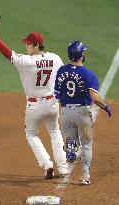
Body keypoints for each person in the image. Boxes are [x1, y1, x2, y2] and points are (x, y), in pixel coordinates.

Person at [0, 28, 69, 179]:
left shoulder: (26, 61)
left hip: (34, 106)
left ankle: (47, 164)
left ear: (37, 45)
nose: (26, 46)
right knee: (55, 132)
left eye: (29, 44)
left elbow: (5, 51)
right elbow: (63, 76)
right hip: (52, 103)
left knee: (31, 134)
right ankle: (63, 168)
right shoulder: (55, 58)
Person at [54, 40, 111, 185]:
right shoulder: (88, 74)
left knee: (71, 141)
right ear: (81, 55)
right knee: (87, 144)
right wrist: (105, 106)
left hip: (65, 112)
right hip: (82, 112)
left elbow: (56, 93)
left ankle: (70, 151)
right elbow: (95, 98)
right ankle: (85, 175)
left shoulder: (61, 71)